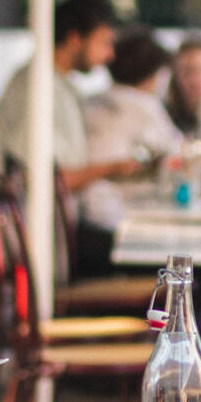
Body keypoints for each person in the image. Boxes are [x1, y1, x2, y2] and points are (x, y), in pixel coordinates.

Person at [0, 0, 141, 200]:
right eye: (104, 42)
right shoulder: (34, 87)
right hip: (31, 226)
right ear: (74, 38)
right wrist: (112, 168)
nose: (110, 55)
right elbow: (38, 179)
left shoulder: (57, 84)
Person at [76, 26, 178, 272]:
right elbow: (177, 153)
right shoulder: (143, 106)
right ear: (154, 75)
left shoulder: (92, 101)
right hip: (112, 226)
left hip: (83, 221)